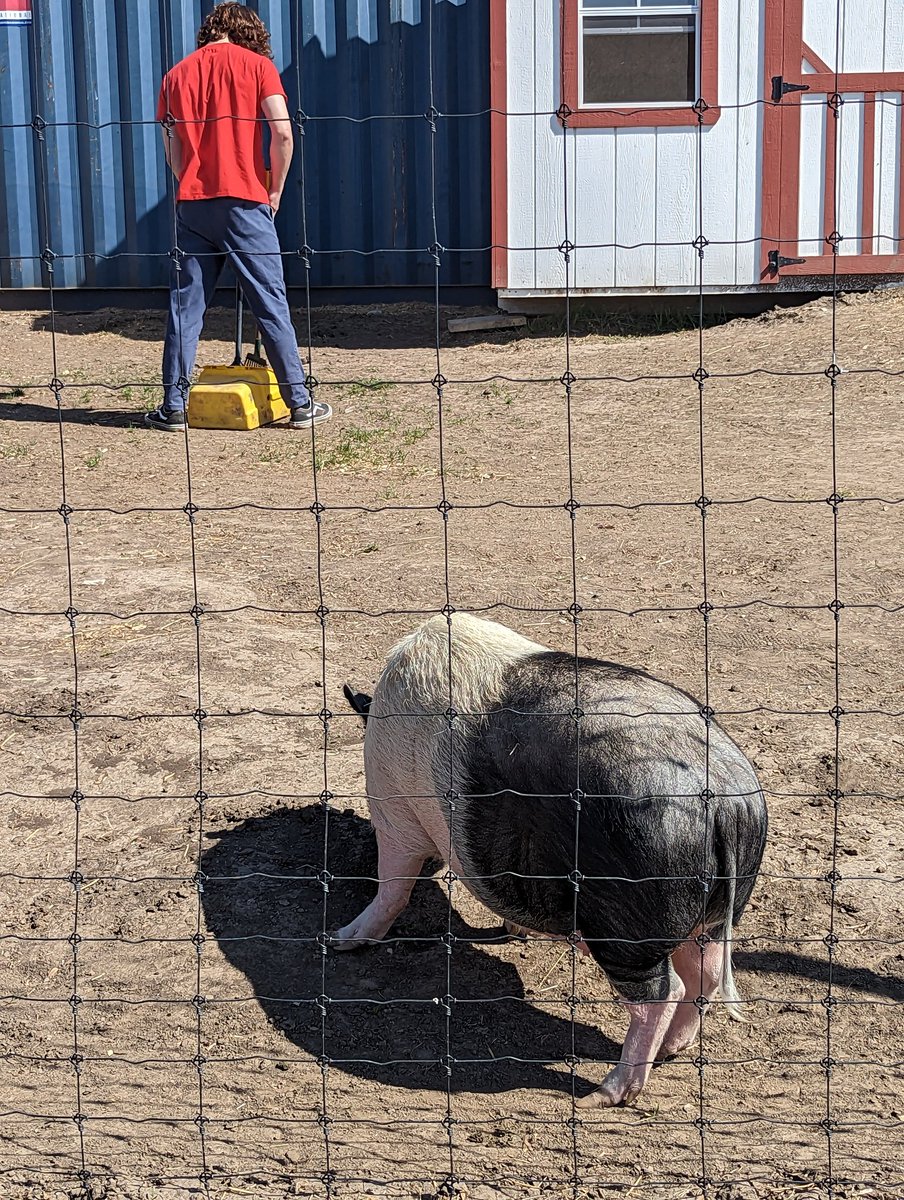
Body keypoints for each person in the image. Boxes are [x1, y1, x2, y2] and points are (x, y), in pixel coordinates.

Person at [148, 2, 331, 433]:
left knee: (184, 308)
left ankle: (174, 407)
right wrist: (275, 191)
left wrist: (191, 181)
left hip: (192, 202)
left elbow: (172, 146)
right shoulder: (258, 67)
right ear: (250, 33)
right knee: (270, 302)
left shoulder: (175, 75)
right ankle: (299, 402)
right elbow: (282, 132)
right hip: (246, 201)